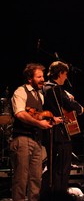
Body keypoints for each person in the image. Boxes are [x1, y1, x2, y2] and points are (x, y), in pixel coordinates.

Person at [10, 63, 58, 201]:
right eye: (39, 77)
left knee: (36, 179)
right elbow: (20, 114)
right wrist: (39, 123)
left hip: (36, 141)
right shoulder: (21, 91)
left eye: (43, 76)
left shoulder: (40, 95)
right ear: (30, 79)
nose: (43, 79)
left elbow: (39, 114)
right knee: (21, 179)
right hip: (22, 139)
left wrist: (52, 119)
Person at [40, 61, 84, 196]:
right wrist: (78, 106)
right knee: (61, 168)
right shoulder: (54, 89)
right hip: (59, 134)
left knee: (53, 167)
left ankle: (50, 194)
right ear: (60, 74)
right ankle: (59, 195)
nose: (66, 78)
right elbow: (73, 106)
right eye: (65, 74)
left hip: (49, 133)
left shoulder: (44, 87)